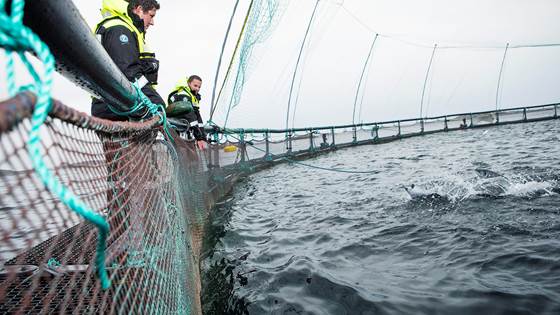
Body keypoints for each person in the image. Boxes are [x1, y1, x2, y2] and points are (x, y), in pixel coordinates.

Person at [92, 0, 164, 121]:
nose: (152, 22)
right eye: (151, 16)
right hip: (117, 110)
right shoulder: (119, 28)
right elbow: (129, 73)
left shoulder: (127, 28)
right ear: (139, 10)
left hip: (124, 107)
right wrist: (156, 103)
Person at [167, 75, 207, 148]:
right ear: (189, 83)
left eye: (199, 87)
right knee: (177, 149)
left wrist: (203, 138)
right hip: (174, 123)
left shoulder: (193, 97)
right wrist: (199, 138)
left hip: (185, 124)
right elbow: (190, 115)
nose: (197, 89)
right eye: (195, 86)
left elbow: (197, 116)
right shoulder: (183, 95)